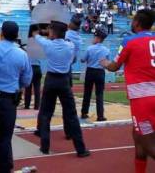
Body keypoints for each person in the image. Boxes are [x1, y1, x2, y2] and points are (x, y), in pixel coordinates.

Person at [101, 9, 155, 173]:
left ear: (137, 22)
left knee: (146, 142)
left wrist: (104, 62)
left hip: (142, 98)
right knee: (138, 139)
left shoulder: (129, 41)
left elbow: (114, 66)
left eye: (133, 21)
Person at [33, 21, 90, 157]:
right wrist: (51, 33)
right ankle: (80, 149)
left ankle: (45, 147)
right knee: (71, 115)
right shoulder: (70, 45)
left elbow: (36, 35)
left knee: (46, 113)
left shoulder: (48, 44)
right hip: (64, 80)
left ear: (53, 32)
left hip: (51, 79)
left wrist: (43, 32)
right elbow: (73, 56)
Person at [0, 21, 32, 173]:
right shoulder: (22, 54)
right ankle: (4, 168)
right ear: (17, 36)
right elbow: (26, 80)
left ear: (1, 33)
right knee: (5, 137)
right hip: (9, 100)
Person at [81, 27, 109, 121]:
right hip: (100, 72)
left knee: (87, 93)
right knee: (99, 94)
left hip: (90, 71)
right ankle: (100, 116)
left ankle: (84, 113)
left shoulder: (89, 48)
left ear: (97, 38)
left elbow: (82, 60)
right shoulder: (106, 50)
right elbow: (107, 62)